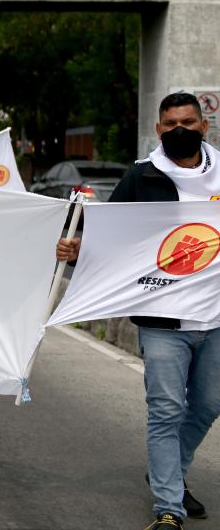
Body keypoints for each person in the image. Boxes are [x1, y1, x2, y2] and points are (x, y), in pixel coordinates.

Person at [57, 92, 216, 530]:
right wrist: (77, 250)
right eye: (169, 124)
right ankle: (169, 506)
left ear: (204, 126)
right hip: (162, 317)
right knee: (166, 409)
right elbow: (114, 236)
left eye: (187, 121)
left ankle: (167, 471)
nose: (178, 130)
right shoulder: (142, 177)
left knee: (207, 405)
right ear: (159, 129)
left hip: (216, 318)